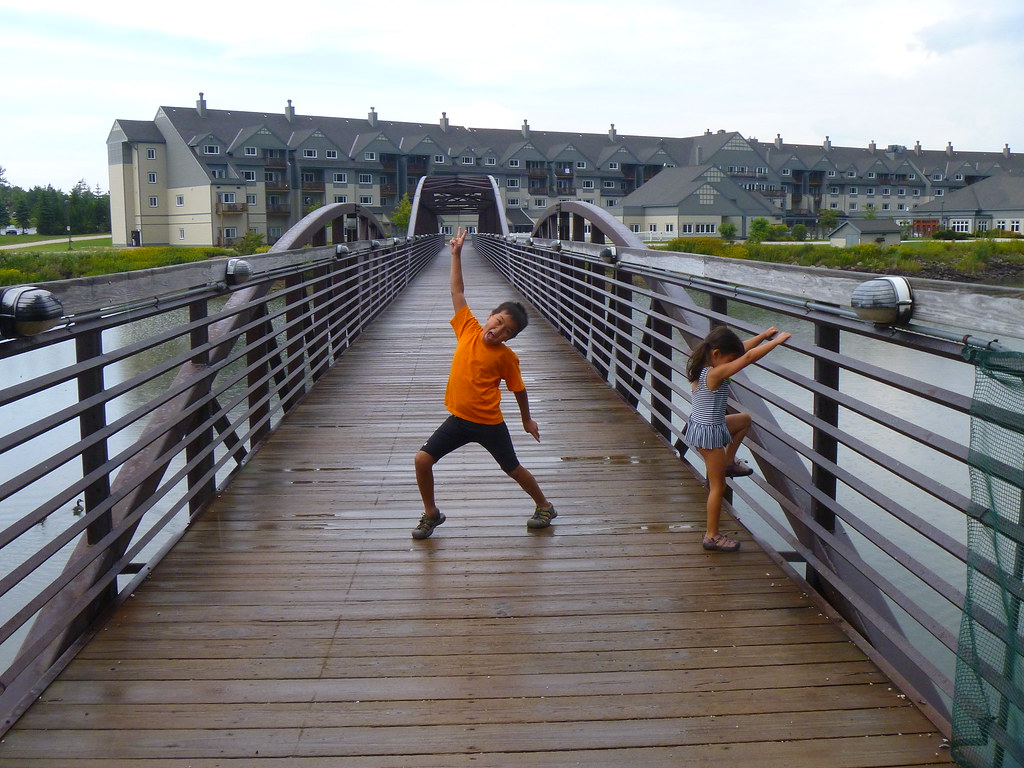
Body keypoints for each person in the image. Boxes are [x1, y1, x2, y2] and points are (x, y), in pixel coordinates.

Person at [412, 227, 556, 539]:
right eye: (499, 322)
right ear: (490, 315)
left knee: (513, 468)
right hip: (459, 419)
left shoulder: (506, 357)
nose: (499, 331)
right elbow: (457, 292)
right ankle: (431, 513)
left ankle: (544, 505)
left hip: (489, 424)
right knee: (422, 460)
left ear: (510, 339)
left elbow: (518, 388)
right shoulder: (467, 327)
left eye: (507, 331)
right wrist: (455, 255)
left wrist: (527, 419)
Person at [683, 325, 791, 552]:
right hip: (709, 436)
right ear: (717, 355)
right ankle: (711, 536)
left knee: (743, 420)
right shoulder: (715, 373)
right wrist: (777, 342)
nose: (734, 363)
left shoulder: (704, 363)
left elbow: (742, 351)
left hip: (706, 425)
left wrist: (762, 336)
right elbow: (748, 357)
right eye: (731, 359)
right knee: (717, 486)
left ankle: (729, 462)